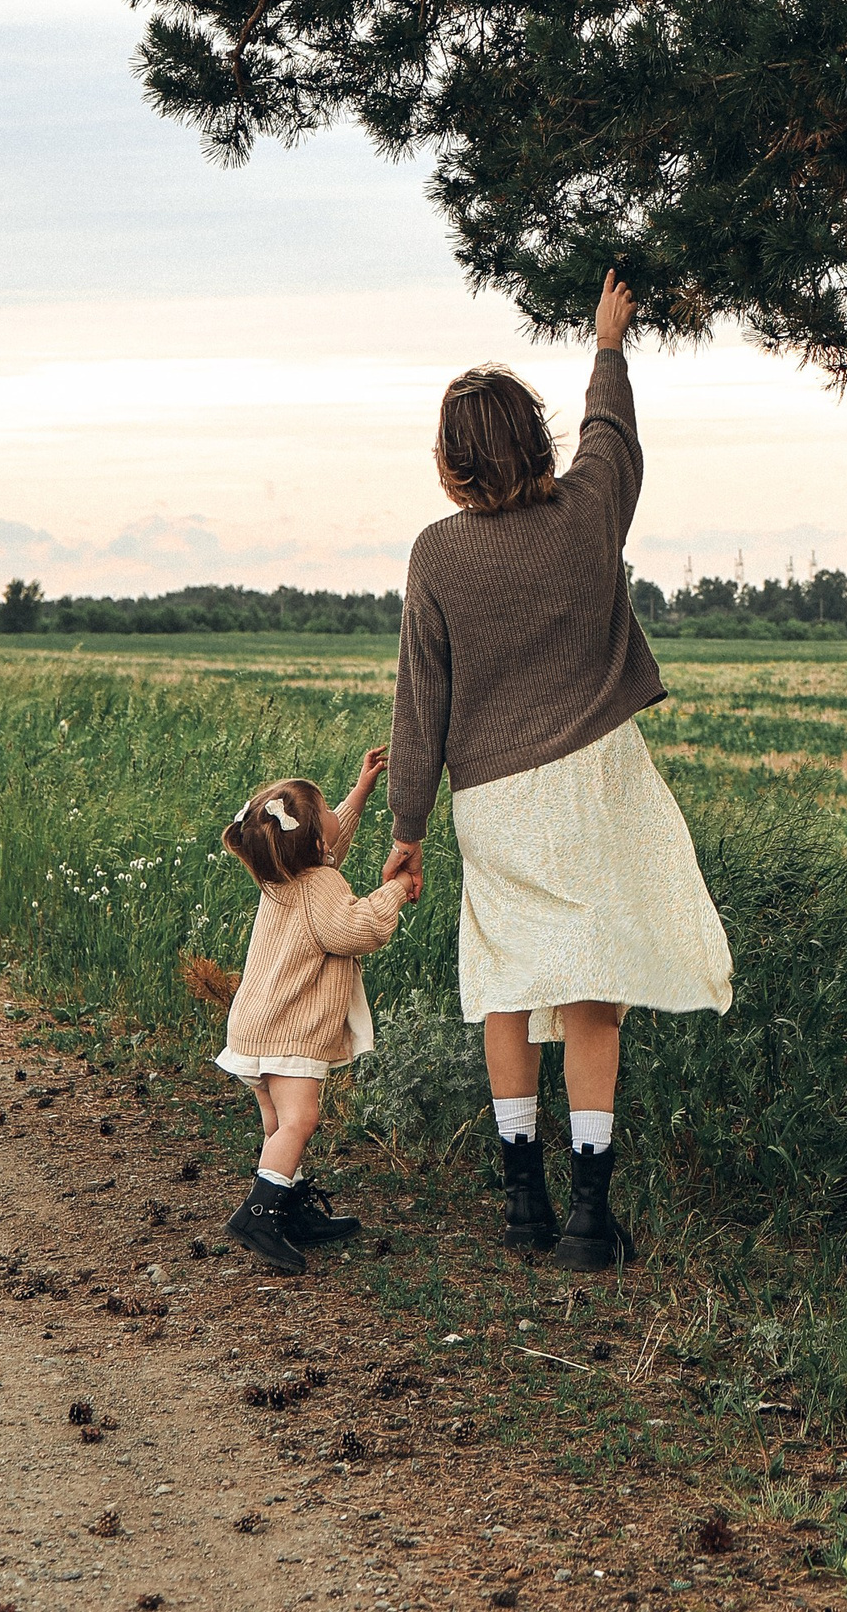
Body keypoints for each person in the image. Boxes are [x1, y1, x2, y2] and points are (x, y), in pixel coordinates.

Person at [384, 270, 731, 1270]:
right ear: (535, 444)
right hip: (592, 787)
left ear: (452, 465)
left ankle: (521, 1204)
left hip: (492, 799)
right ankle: (589, 1216)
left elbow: (421, 702)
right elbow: (611, 437)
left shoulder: (436, 554)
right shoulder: (586, 516)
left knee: (507, 983)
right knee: (590, 993)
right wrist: (607, 346)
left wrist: (407, 829)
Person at [214, 749, 404, 1273]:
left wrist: (360, 792)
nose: (332, 820)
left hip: (256, 1025)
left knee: (278, 1124)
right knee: (301, 1119)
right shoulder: (321, 884)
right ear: (314, 841)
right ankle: (258, 1215)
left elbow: (327, 846)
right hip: (291, 1028)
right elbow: (354, 930)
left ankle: (290, 1208)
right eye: (326, 814)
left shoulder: (279, 872)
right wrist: (393, 892)